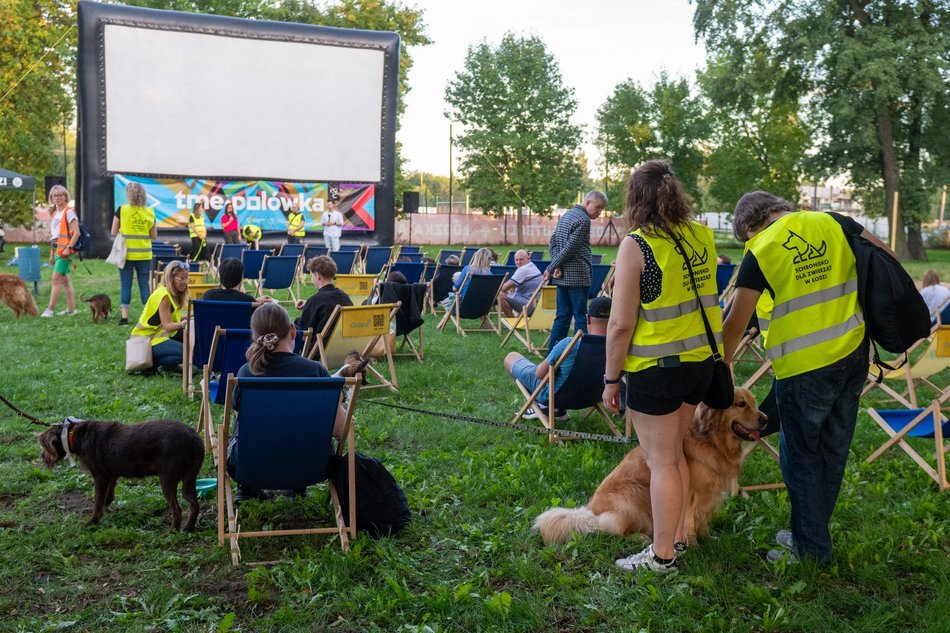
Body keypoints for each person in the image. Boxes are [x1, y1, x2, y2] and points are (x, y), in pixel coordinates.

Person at [721, 190, 891, 564]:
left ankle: (810, 549)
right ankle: (810, 535)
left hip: (803, 367)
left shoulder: (761, 248)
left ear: (749, 227)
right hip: (853, 354)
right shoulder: (835, 222)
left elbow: (735, 323)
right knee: (832, 450)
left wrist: (719, 367)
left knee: (800, 457)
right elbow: (887, 259)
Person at [603, 160, 721, 573]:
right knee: (674, 455)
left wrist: (611, 379)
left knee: (662, 461)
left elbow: (620, 324)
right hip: (700, 364)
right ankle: (679, 537)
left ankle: (662, 555)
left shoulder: (637, 244)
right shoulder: (701, 235)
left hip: (657, 368)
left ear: (635, 199)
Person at [226, 302, 348, 502]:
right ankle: (295, 486)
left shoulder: (246, 373)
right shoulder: (315, 371)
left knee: (242, 422)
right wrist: (340, 401)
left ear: (255, 337)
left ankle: (247, 488)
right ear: (292, 331)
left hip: (250, 466)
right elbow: (340, 430)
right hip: (311, 466)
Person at [506, 296, 612, 421]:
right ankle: (554, 410)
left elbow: (539, 374)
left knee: (511, 357)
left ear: (587, 318)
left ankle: (544, 407)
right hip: (594, 397)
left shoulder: (570, 343)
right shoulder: (622, 348)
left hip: (555, 397)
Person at [546, 190, 607, 348]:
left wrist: (557, 265)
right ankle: (583, 352)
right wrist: (553, 266)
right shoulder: (584, 220)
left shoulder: (567, 215)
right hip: (578, 276)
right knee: (581, 316)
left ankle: (553, 353)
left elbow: (552, 243)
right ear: (587, 202)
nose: (599, 212)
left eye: (602, 209)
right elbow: (570, 248)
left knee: (562, 316)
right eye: (598, 207)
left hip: (562, 276)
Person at [111, 182, 157, 326]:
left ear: (128, 195)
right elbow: (154, 236)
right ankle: (148, 317)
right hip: (144, 255)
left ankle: (124, 318)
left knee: (126, 285)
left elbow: (113, 231)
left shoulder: (122, 210)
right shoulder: (150, 212)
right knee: (144, 285)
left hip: (126, 255)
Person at [130, 260, 189, 372]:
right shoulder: (164, 296)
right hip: (147, 341)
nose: (185, 282)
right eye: (181, 278)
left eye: (187, 278)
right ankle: (149, 363)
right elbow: (167, 326)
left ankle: (164, 364)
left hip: (158, 336)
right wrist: (183, 324)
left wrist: (191, 316)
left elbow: (170, 318)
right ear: (171, 278)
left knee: (189, 347)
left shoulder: (169, 292)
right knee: (187, 353)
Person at [41, 184, 80, 318]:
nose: (57, 198)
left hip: (65, 251)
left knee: (56, 280)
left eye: (60, 195)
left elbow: (77, 232)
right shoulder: (55, 213)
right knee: (65, 281)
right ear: (51, 198)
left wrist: (68, 248)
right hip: (57, 250)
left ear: (65, 197)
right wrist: (51, 254)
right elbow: (54, 236)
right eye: (54, 196)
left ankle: (49, 310)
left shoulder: (68, 212)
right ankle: (71, 309)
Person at [295, 255, 353, 338]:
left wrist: (310, 305)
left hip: (320, 344)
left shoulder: (315, 301)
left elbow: (304, 334)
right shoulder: (344, 297)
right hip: (343, 342)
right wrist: (309, 304)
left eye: (312, 276)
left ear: (317, 275)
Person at [203, 258, 272, 306]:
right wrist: (254, 300)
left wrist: (255, 300)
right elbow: (238, 298)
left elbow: (228, 299)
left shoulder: (209, 296)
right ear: (241, 278)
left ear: (221, 276)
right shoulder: (246, 300)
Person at [498, 249, 543, 317]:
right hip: (537, 304)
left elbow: (504, 288)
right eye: (516, 260)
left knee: (500, 294)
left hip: (530, 306)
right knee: (509, 291)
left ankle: (511, 320)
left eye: (521, 259)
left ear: (528, 258)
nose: (518, 262)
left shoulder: (523, 270)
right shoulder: (532, 265)